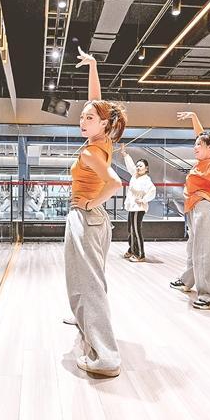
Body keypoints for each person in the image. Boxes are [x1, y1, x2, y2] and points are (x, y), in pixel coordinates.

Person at [64, 47, 127, 378]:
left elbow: (115, 182)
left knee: (89, 282)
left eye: (88, 118)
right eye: (82, 117)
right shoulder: (103, 140)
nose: (82, 120)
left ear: (103, 123)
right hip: (92, 218)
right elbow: (97, 102)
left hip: (86, 216)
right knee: (84, 277)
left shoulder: (91, 152)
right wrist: (92, 66)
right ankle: (84, 321)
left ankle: (106, 357)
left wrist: (90, 203)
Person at [169, 111, 210, 310]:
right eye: (195, 144)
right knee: (193, 248)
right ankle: (187, 280)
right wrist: (193, 117)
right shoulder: (203, 162)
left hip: (204, 209)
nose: (195, 147)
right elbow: (202, 135)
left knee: (206, 251)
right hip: (194, 209)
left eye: (198, 145)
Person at [118, 144, 156, 262]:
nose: (138, 167)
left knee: (136, 230)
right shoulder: (135, 175)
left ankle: (140, 254)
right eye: (137, 165)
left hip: (138, 208)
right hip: (132, 207)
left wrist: (143, 200)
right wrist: (125, 154)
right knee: (131, 229)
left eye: (141, 166)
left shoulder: (147, 180)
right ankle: (132, 249)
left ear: (146, 168)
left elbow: (152, 191)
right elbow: (130, 165)